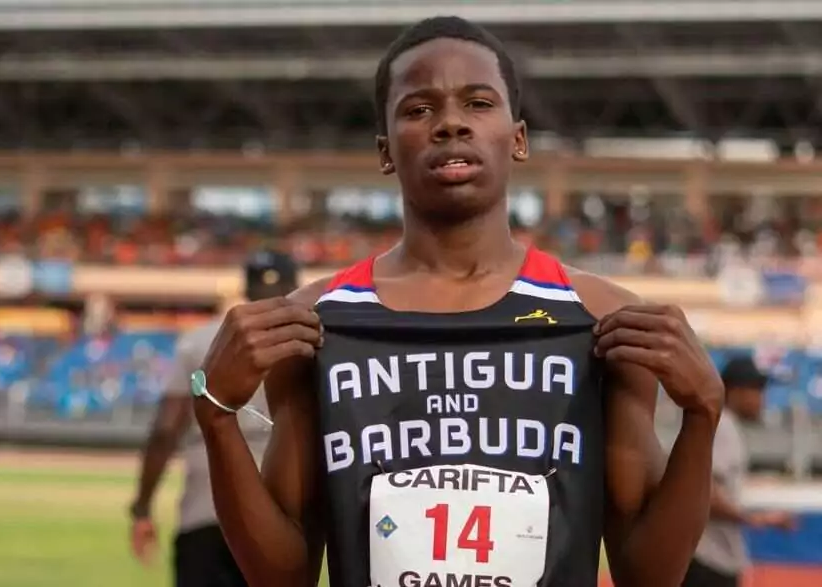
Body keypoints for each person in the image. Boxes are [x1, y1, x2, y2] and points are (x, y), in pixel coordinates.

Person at [193, 16, 725, 587]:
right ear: (386, 150)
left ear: (517, 138)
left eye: (477, 103)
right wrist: (216, 415)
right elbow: (283, 575)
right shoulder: (315, 322)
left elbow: (649, 575)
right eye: (419, 110)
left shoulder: (602, 319)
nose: (450, 123)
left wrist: (703, 416)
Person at [128, 251, 299, 587]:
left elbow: (165, 431)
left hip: (206, 508)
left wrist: (142, 508)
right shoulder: (312, 341)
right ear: (295, 285)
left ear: (245, 287)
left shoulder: (200, 342)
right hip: (280, 516)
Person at [682, 356, 796, 587]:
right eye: (756, 390)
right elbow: (707, 493)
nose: (761, 399)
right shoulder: (723, 426)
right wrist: (757, 519)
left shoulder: (723, 425)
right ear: (734, 391)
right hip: (709, 560)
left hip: (708, 558)